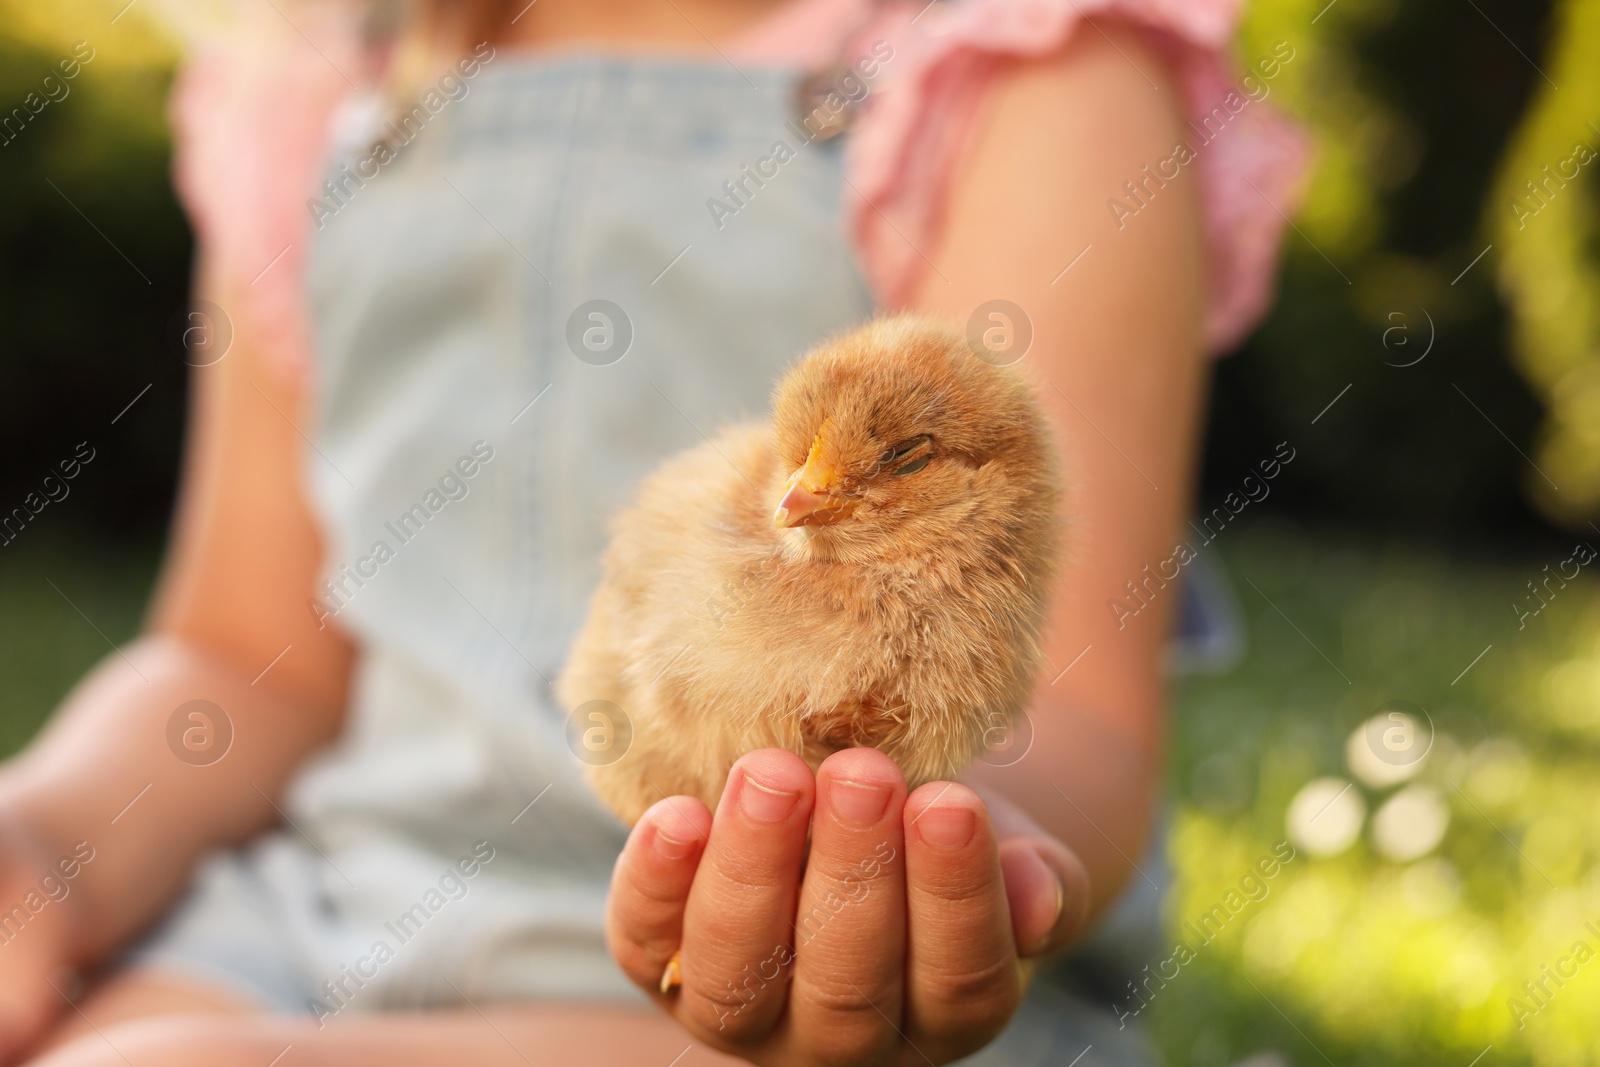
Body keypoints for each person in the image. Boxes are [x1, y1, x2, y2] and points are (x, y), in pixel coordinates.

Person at [0, 0, 1306, 1063]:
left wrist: (917, 873)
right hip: (312, 933)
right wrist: (50, 842)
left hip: (789, 1006)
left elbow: (1059, 703)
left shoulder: (1027, 72)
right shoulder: (325, 92)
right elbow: (242, 655)